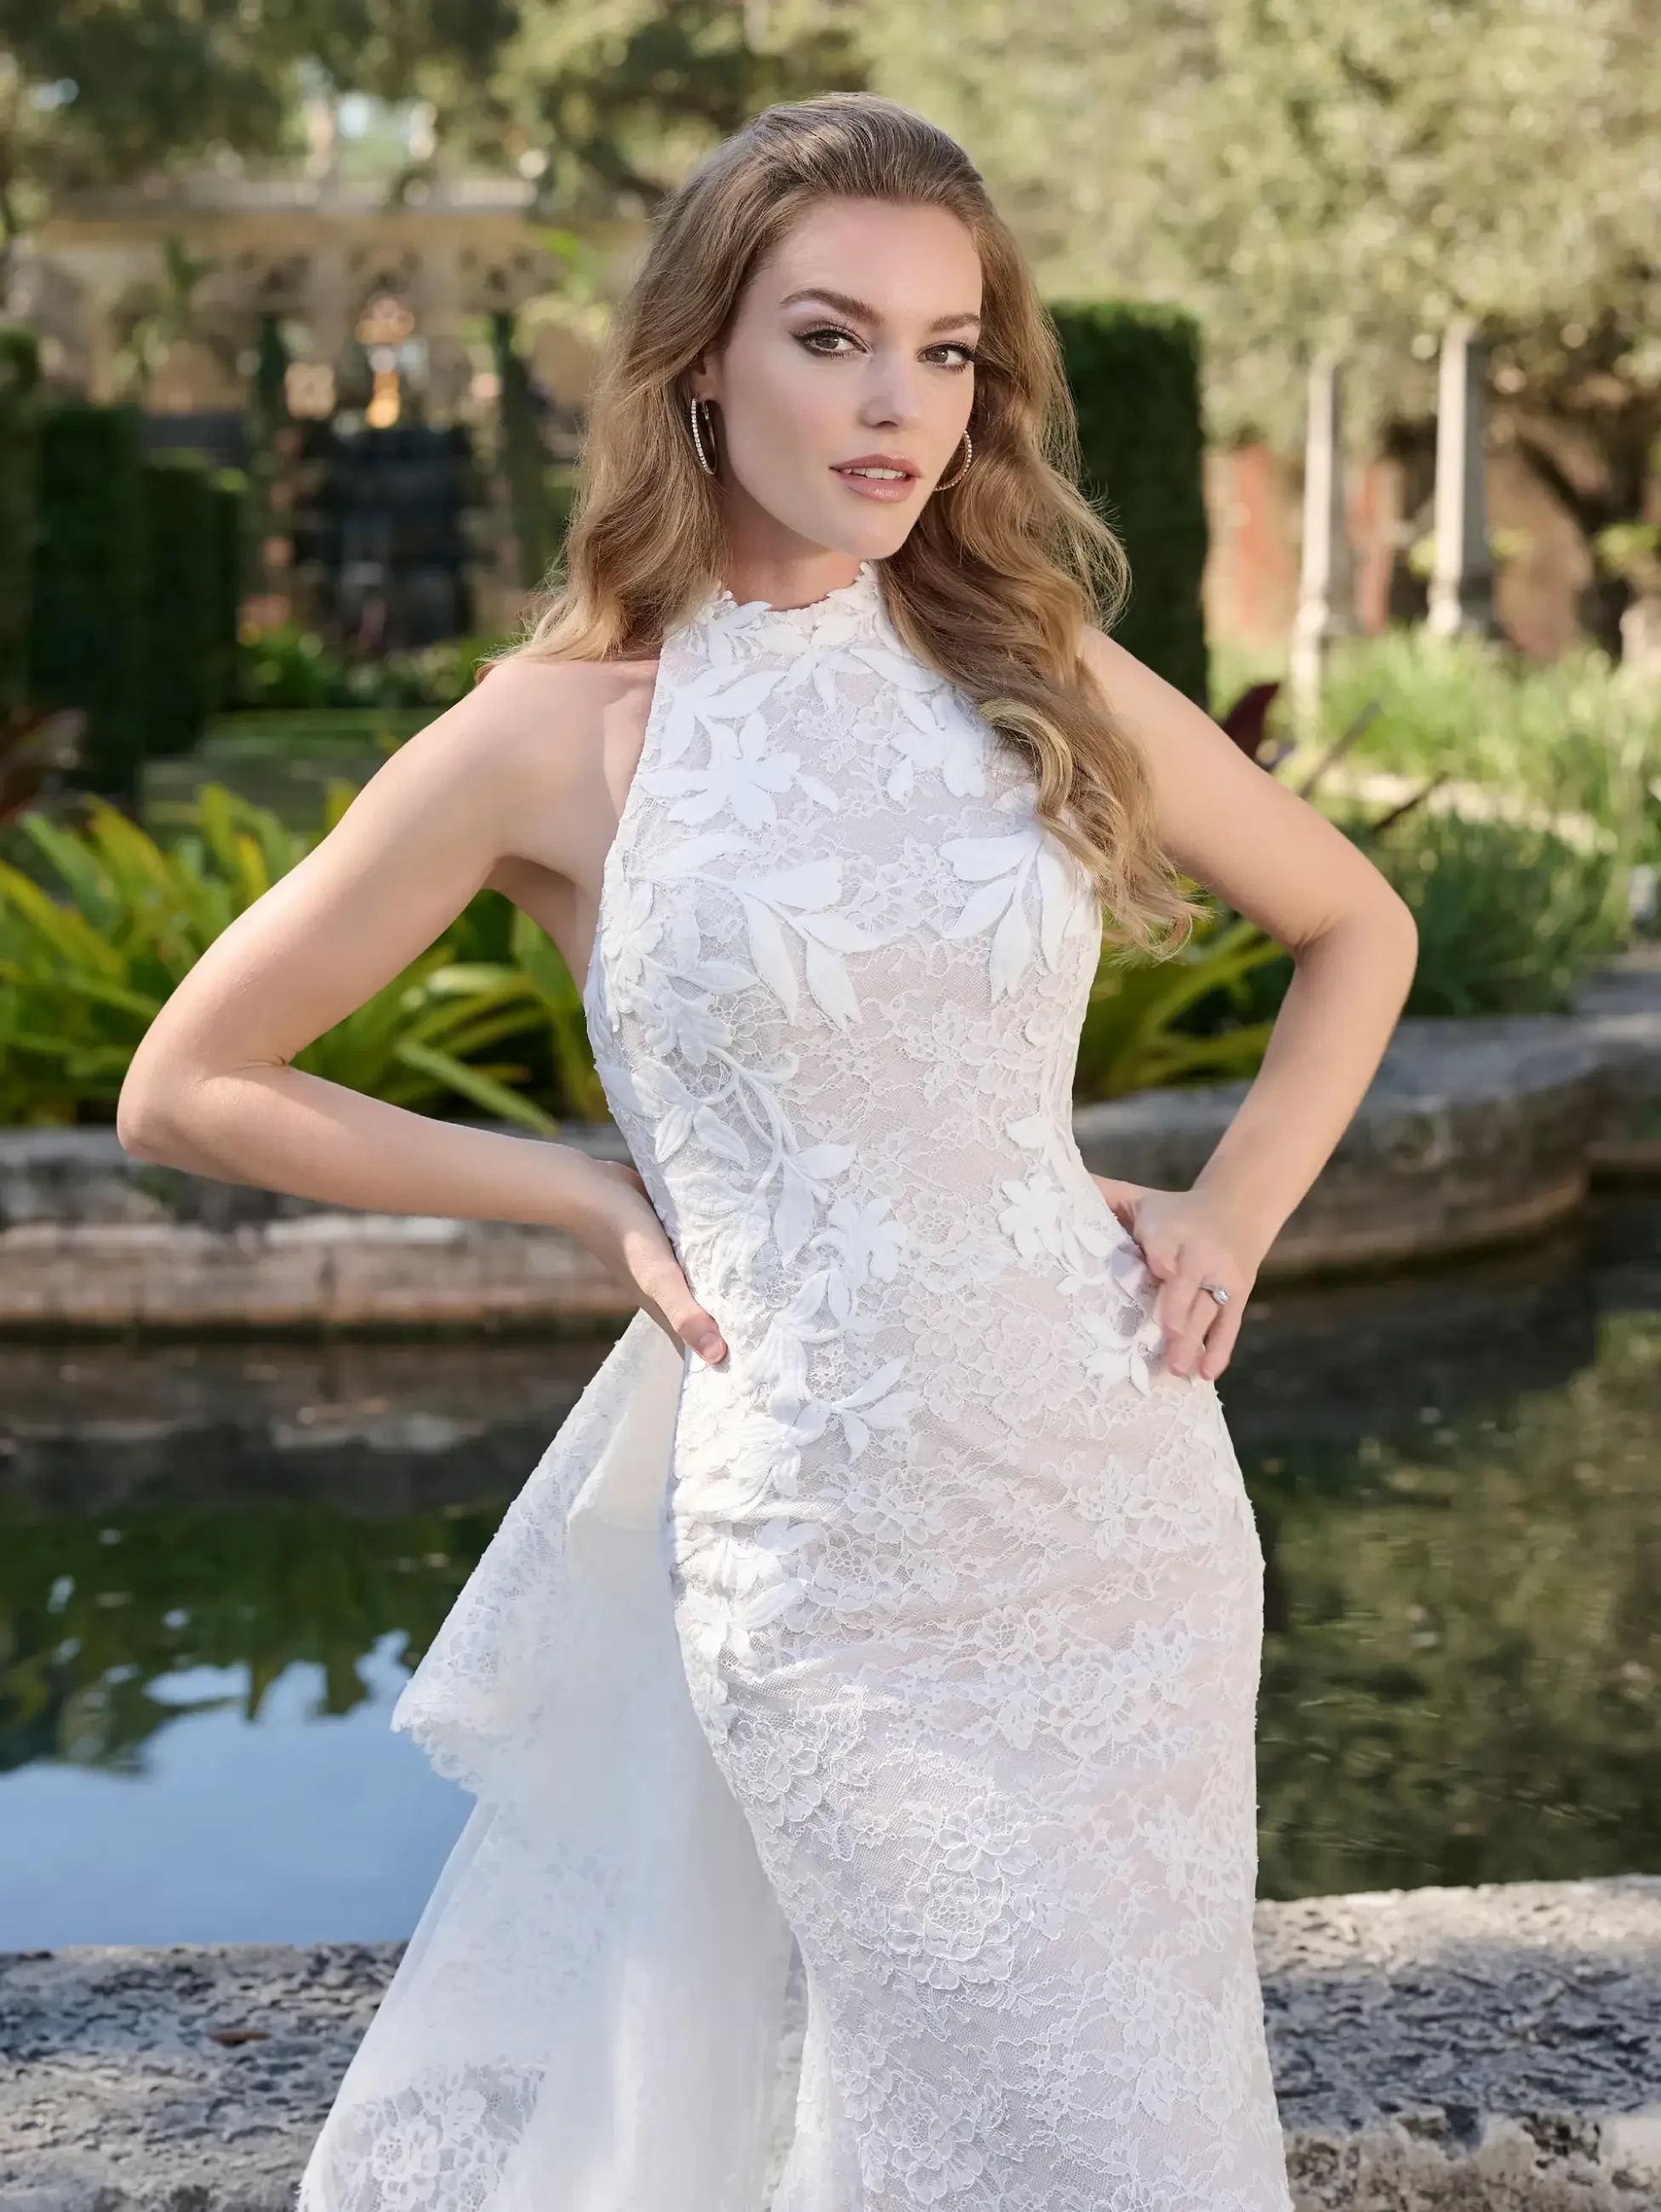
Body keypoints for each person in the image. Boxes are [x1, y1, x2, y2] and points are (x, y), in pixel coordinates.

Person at [118, 91, 1415, 2212]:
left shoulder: (1032, 665)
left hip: (1121, 1509)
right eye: (833, 337)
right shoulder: (557, 731)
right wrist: (589, 1189)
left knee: (1148, 2121)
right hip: (824, 1548)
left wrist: (1234, 1213)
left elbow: (1356, 924)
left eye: (949, 348)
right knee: (992, 2098)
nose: (900, 402)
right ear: (700, 357)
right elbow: (190, 1084)